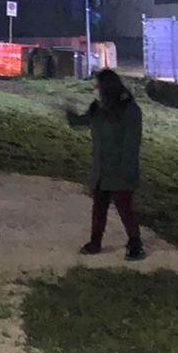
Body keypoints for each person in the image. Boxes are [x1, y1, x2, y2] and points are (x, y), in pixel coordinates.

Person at [66, 68, 145, 260]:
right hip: (101, 170)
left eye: (98, 85)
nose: (96, 89)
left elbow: (131, 145)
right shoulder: (99, 109)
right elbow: (83, 121)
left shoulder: (130, 111)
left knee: (125, 209)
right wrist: (69, 114)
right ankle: (95, 242)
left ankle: (135, 243)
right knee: (99, 208)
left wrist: (126, 174)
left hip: (119, 171)